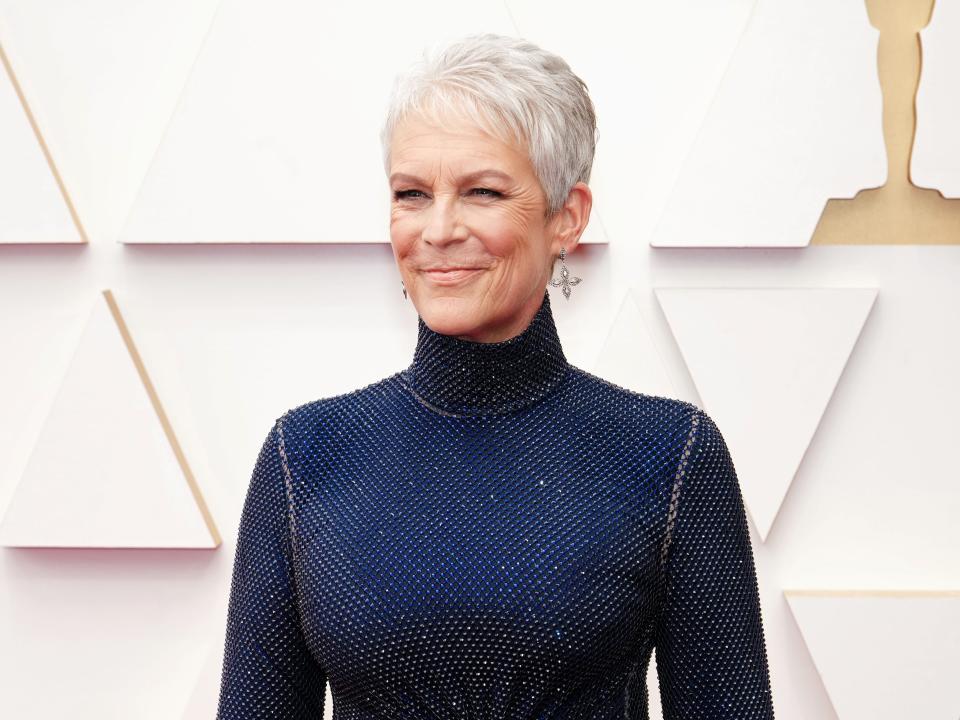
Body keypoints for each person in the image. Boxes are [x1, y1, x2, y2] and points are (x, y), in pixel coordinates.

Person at [216, 33, 775, 719]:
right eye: (412, 194)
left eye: (482, 192)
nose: (440, 228)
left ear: (566, 218)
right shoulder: (304, 456)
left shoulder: (670, 455)